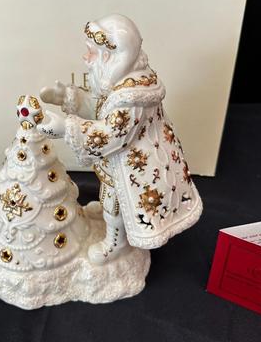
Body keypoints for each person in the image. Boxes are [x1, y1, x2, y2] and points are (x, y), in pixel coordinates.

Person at [40, 14, 202, 264]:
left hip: (132, 168)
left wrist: (66, 128)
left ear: (110, 56)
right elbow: (102, 110)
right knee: (110, 199)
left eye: (92, 52)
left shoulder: (132, 98)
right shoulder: (122, 84)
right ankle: (113, 224)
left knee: (115, 202)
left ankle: (115, 243)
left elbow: (111, 135)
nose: (86, 58)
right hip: (121, 163)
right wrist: (69, 98)